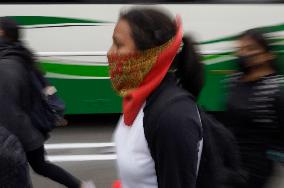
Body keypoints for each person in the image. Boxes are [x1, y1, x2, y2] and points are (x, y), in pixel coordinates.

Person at [108, 7, 204, 188]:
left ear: (150, 54)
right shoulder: (138, 99)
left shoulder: (173, 116)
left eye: (119, 45)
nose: (110, 53)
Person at [0, 17, 95, 188]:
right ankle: (81, 185)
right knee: (41, 166)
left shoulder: (7, 64)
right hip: (27, 132)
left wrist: (12, 144)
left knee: (26, 172)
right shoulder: (20, 55)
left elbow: (10, 112)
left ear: (2, 33)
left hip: (18, 136)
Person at [225, 29, 284, 188]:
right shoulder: (233, 81)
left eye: (250, 48)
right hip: (233, 161)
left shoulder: (275, 88)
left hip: (262, 166)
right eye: (240, 49)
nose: (243, 53)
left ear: (267, 54)